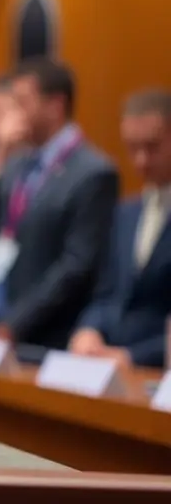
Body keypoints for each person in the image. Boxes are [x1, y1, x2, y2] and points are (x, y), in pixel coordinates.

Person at [0, 57, 118, 349]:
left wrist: (14, 324)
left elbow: (76, 264)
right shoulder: (14, 163)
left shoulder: (93, 172)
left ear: (55, 105)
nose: (12, 115)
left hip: (41, 336)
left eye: (22, 102)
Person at [71, 89, 171, 369]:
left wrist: (134, 357)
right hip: (106, 365)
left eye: (152, 147)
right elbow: (107, 292)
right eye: (132, 148)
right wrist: (88, 330)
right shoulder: (125, 212)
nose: (141, 160)